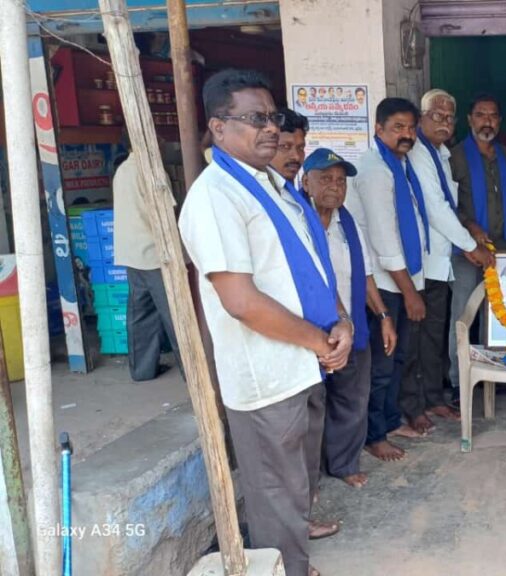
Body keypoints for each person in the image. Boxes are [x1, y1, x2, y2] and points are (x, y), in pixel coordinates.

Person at [178, 68, 351, 576]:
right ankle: (286, 568)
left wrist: (340, 321)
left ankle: (291, 558)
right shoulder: (216, 197)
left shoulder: (274, 186)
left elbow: (313, 265)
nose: (271, 129)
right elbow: (241, 301)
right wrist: (320, 340)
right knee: (275, 490)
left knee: (296, 483)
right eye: (255, 119)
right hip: (267, 374)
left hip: (304, 361)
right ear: (218, 126)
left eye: (272, 117)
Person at [302, 148, 397, 490]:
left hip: (351, 325)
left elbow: (366, 274)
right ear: (305, 181)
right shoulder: (299, 221)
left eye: (341, 181)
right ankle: (310, 472)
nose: (334, 187)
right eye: (325, 179)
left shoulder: (348, 224)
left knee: (352, 398)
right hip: (309, 327)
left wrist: (383, 315)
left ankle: (342, 463)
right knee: (311, 404)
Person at [352, 97, 432, 461]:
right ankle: (374, 435)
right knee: (382, 366)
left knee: (398, 358)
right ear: (378, 129)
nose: (406, 134)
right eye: (397, 127)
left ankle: (389, 421)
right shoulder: (374, 171)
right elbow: (384, 241)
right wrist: (410, 292)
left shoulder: (398, 167)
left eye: (411, 128)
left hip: (399, 279)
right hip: (384, 285)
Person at [407, 89, 492, 430]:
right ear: (422, 118)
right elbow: (436, 209)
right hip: (422, 262)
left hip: (439, 261)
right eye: (436, 116)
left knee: (432, 334)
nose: (443, 122)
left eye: (448, 117)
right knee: (420, 338)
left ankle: (434, 398)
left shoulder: (440, 153)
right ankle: (423, 402)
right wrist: (471, 246)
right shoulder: (417, 151)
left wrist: (468, 231)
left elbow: (449, 207)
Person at [448, 94, 506, 381]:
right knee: (463, 314)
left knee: (498, 315)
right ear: (469, 120)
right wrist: (470, 227)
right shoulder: (455, 157)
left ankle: (495, 376)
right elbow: (446, 205)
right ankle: (457, 378)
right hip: (466, 249)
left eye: (492, 115)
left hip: (502, 249)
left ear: (499, 121)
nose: (487, 121)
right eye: (480, 114)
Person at [112, 136, 179, 381]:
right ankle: (190, 372)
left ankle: (142, 370)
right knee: (175, 314)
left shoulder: (123, 169)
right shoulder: (151, 171)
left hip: (130, 251)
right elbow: (167, 211)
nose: (161, 144)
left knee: (140, 313)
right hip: (153, 253)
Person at [269, 108, 308, 185]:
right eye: (285, 146)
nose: (296, 157)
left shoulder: (288, 192)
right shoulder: (249, 191)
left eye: (300, 148)